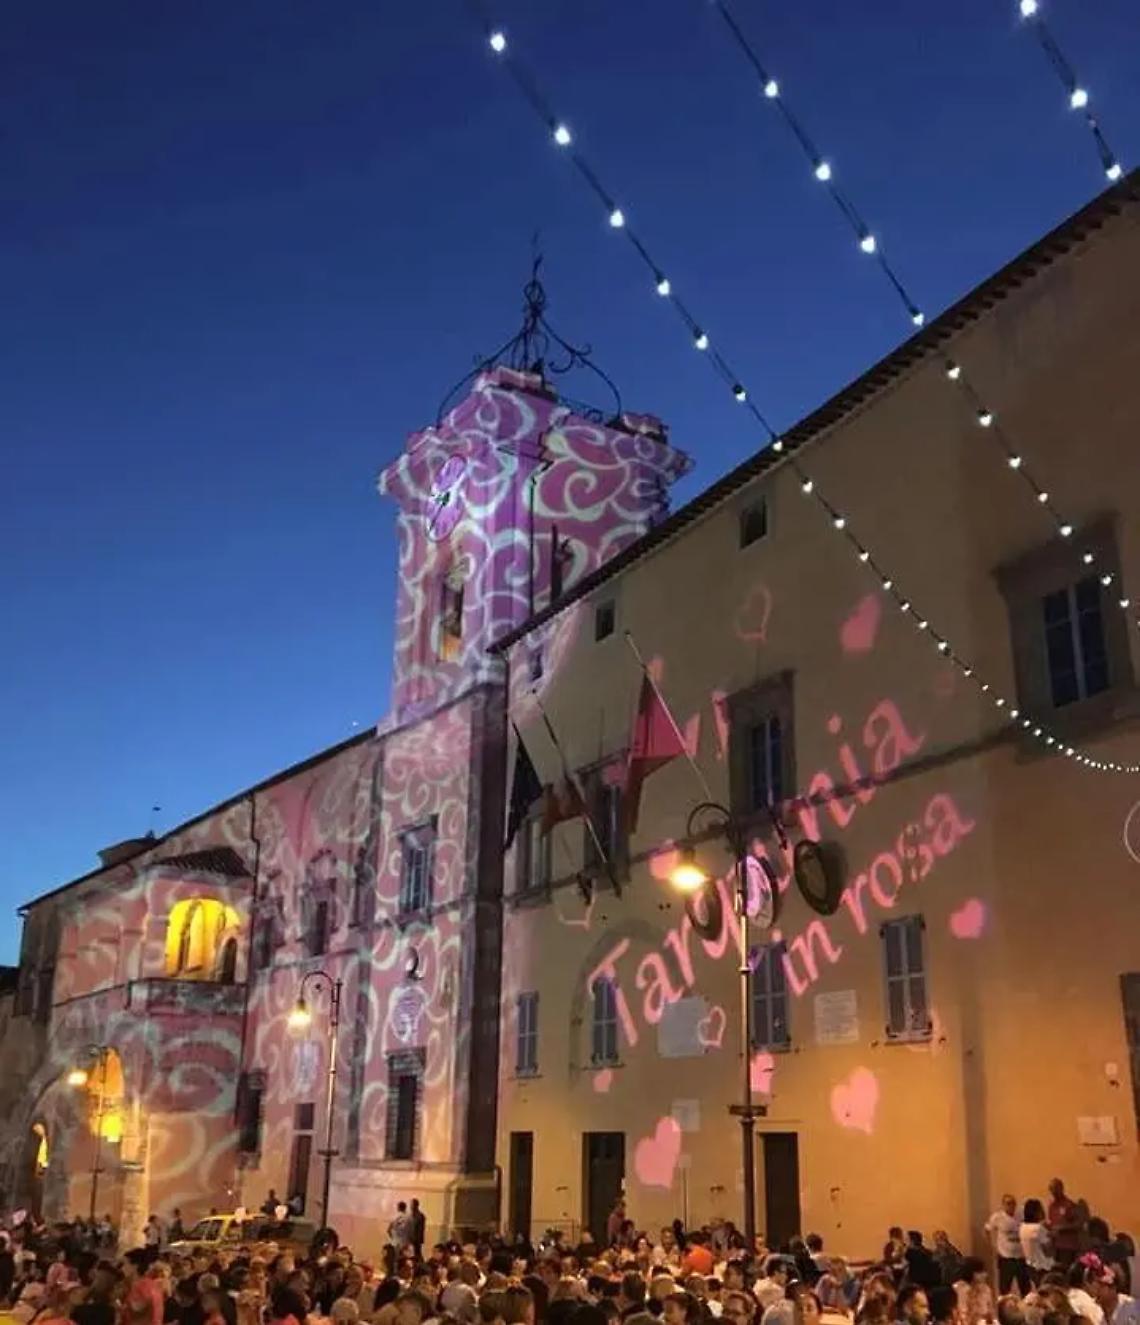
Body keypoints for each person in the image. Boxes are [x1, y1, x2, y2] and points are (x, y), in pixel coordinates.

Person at [987, 1196, 1029, 1295]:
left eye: (1013, 1203)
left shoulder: (1021, 1215)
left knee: (1025, 1286)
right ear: (1003, 1205)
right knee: (1005, 1287)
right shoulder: (997, 1217)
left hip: (1021, 1257)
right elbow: (988, 1230)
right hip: (1006, 1257)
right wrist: (994, 1247)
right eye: (1008, 1203)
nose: (1011, 1206)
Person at [1046, 1181, 1083, 1270]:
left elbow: (1079, 1224)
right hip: (1056, 1247)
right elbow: (1052, 1223)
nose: (1054, 1192)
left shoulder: (1069, 1205)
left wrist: (1063, 1228)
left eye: (1055, 1189)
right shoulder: (1052, 1206)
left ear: (1061, 1188)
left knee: (1065, 1273)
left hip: (1068, 1247)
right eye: (1051, 1190)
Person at [1020, 1201, 1053, 1285]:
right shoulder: (1039, 1229)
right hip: (1042, 1266)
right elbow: (1048, 1251)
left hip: (1030, 1265)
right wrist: (1052, 1235)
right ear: (1035, 1212)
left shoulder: (1022, 1227)